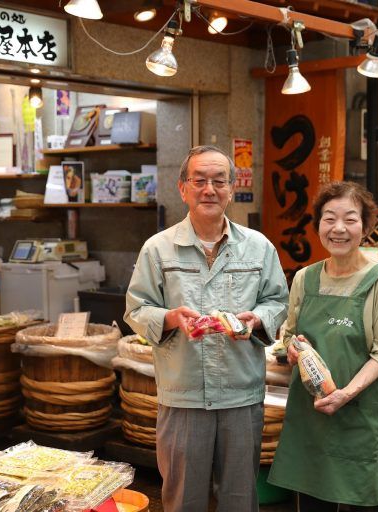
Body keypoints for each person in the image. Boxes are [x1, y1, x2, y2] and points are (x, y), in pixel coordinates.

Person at [124, 145, 289, 512]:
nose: (209, 190)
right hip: (184, 396)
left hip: (241, 396)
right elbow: (136, 308)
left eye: (219, 181)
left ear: (231, 188)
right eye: (199, 181)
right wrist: (170, 318)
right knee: (184, 500)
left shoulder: (258, 247)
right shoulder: (158, 249)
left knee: (239, 500)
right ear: (182, 188)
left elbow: (279, 301)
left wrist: (258, 318)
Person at [268, 181, 378, 511]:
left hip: (360, 414)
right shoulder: (305, 278)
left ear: (366, 226)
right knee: (312, 503)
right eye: (329, 218)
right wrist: (293, 348)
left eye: (350, 219)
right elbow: (288, 335)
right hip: (311, 415)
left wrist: (345, 393)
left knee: (363, 502)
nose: (338, 228)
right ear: (318, 225)